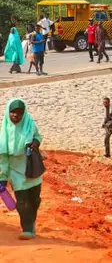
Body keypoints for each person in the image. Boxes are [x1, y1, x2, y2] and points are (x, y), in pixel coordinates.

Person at [0, 98, 43, 240]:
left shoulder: (29, 123)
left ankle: (31, 221)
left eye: (19, 113)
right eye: (13, 112)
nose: (16, 116)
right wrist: (3, 177)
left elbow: (38, 136)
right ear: (8, 112)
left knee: (34, 200)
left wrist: (35, 143)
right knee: (22, 201)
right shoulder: (4, 130)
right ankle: (28, 229)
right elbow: (3, 156)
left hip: (32, 169)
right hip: (16, 171)